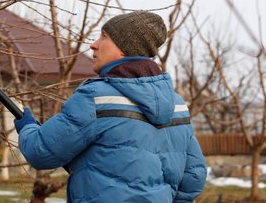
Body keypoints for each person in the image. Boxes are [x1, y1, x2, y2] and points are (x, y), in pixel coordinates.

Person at [14, 11, 207, 202]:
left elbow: (41, 152)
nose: (93, 44)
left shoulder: (96, 98)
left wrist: (28, 126)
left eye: (103, 37)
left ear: (124, 48)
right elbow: (194, 178)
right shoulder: (177, 104)